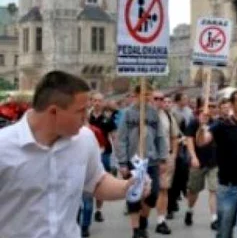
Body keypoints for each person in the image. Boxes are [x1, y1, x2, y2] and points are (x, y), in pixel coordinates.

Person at [0, 71, 145, 238]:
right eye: (81, 111)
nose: (86, 117)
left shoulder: (84, 139)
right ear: (53, 112)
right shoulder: (4, 147)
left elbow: (96, 181)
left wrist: (126, 187)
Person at [197, 89, 237, 238]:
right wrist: (201, 126)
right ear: (232, 105)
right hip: (227, 188)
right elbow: (201, 141)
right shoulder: (220, 127)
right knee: (224, 233)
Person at [116, 84, 168, 238]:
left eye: (149, 95)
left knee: (153, 194)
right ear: (136, 95)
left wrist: (163, 158)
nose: (147, 98)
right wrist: (123, 162)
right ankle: (136, 229)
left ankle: (143, 219)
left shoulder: (153, 114)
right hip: (133, 161)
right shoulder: (128, 114)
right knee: (134, 195)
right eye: (144, 94)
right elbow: (122, 139)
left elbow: (160, 137)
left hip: (151, 160)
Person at [183, 100, 220, 230]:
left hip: (213, 162)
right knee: (194, 190)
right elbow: (189, 141)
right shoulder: (194, 123)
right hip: (198, 162)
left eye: (214, 106)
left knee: (213, 190)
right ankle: (189, 210)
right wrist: (193, 157)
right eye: (209, 106)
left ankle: (214, 218)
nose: (211, 109)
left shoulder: (216, 123)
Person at [153, 91, 181, 234]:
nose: (159, 101)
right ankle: (140, 220)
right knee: (145, 191)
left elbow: (174, 136)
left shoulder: (168, 116)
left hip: (165, 157)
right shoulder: (144, 115)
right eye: (155, 98)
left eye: (161, 98)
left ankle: (161, 220)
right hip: (148, 159)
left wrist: (173, 155)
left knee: (163, 189)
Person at [88, 92, 117, 222]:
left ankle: (98, 210)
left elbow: (114, 137)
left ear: (103, 102)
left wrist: (117, 156)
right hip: (88, 153)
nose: (97, 103)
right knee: (88, 181)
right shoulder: (86, 117)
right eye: (95, 100)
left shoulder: (107, 119)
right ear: (91, 102)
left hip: (104, 153)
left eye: (100, 101)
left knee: (100, 182)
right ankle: (86, 208)